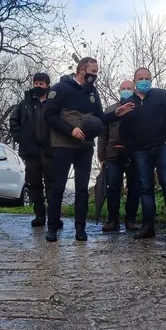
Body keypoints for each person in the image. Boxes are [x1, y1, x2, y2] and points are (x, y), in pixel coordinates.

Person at [43, 57, 134, 242]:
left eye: (97, 72)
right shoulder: (61, 88)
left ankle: (80, 229)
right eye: (93, 71)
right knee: (58, 187)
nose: (95, 75)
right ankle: (52, 227)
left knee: (82, 189)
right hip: (63, 144)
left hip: (85, 146)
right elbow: (49, 115)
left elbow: (99, 118)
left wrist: (116, 114)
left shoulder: (93, 93)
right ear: (82, 70)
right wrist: (71, 129)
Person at [120, 67, 166, 240]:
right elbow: (124, 129)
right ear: (134, 81)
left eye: (147, 77)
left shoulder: (162, 95)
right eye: (140, 78)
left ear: (152, 79)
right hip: (140, 151)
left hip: (163, 147)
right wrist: (127, 150)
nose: (144, 80)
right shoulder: (128, 102)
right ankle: (148, 226)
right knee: (145, 188)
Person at [10, 72, 59, 228]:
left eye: (41, 84)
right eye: (36, 84)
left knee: (52, 185)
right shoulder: (25, 103)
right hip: (30, 150)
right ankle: (39, 216)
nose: (38, 86)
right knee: (34, 184)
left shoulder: (54, 102)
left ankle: (54, 218)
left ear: (47, 84)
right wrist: (20, 138)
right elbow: (14, 121)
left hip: (50, 149)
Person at [97, 79, 140, 232]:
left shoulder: (139, 109)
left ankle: (131, 219)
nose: (126, 90)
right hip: (112, 155)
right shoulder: (110, 110)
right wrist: (101, 157)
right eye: (123, 88)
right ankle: (112, 219)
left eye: (129, 88)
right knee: (113, 187)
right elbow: (102, 135)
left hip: (134, 155)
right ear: (119, 91)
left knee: (135, 188)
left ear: (134, 90)